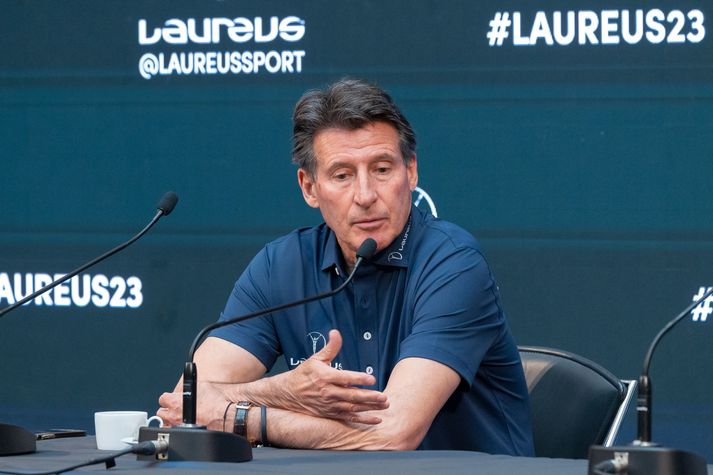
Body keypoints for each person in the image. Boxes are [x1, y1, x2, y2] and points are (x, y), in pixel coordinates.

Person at [158, 78, 534, 455]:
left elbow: (391, 435)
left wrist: (245, 418)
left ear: (412, 171)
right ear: (309, 187)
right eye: (342, 175)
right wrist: (283, 390)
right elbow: (185, 405)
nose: (366, 195)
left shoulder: (453, 262)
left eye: (383, 169)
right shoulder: (281, 265)